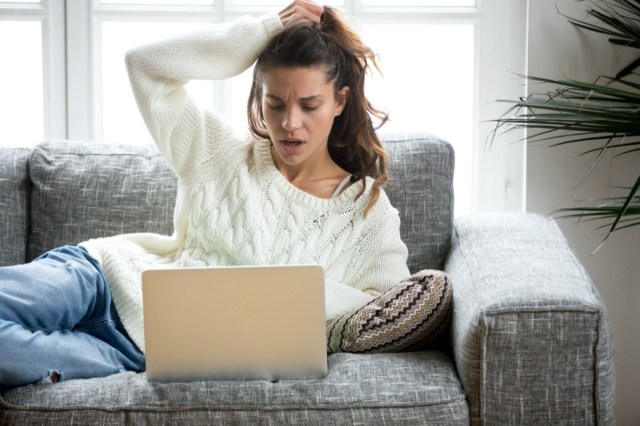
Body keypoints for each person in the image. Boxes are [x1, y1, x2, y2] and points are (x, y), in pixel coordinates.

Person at [0, 0, 409, 389]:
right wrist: (264, 29)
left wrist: (305, 295)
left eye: (309, 105)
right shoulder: (217, 152)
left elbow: (394, 310)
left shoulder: (367, 214)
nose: (289, 123)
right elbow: (144, 64)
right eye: (275, 103)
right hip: (100, 278)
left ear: (340, 101)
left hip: (136, 352)